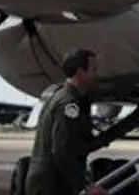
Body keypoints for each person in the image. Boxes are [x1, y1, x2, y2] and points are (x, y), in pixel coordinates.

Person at [25, 48, 105, 195]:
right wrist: (85, 186)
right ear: (80, 72)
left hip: (48, 182)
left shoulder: (61, 95)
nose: (96, 75)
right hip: (51, 185)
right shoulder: (69, 105)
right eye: (93, 69)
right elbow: (63, 151)